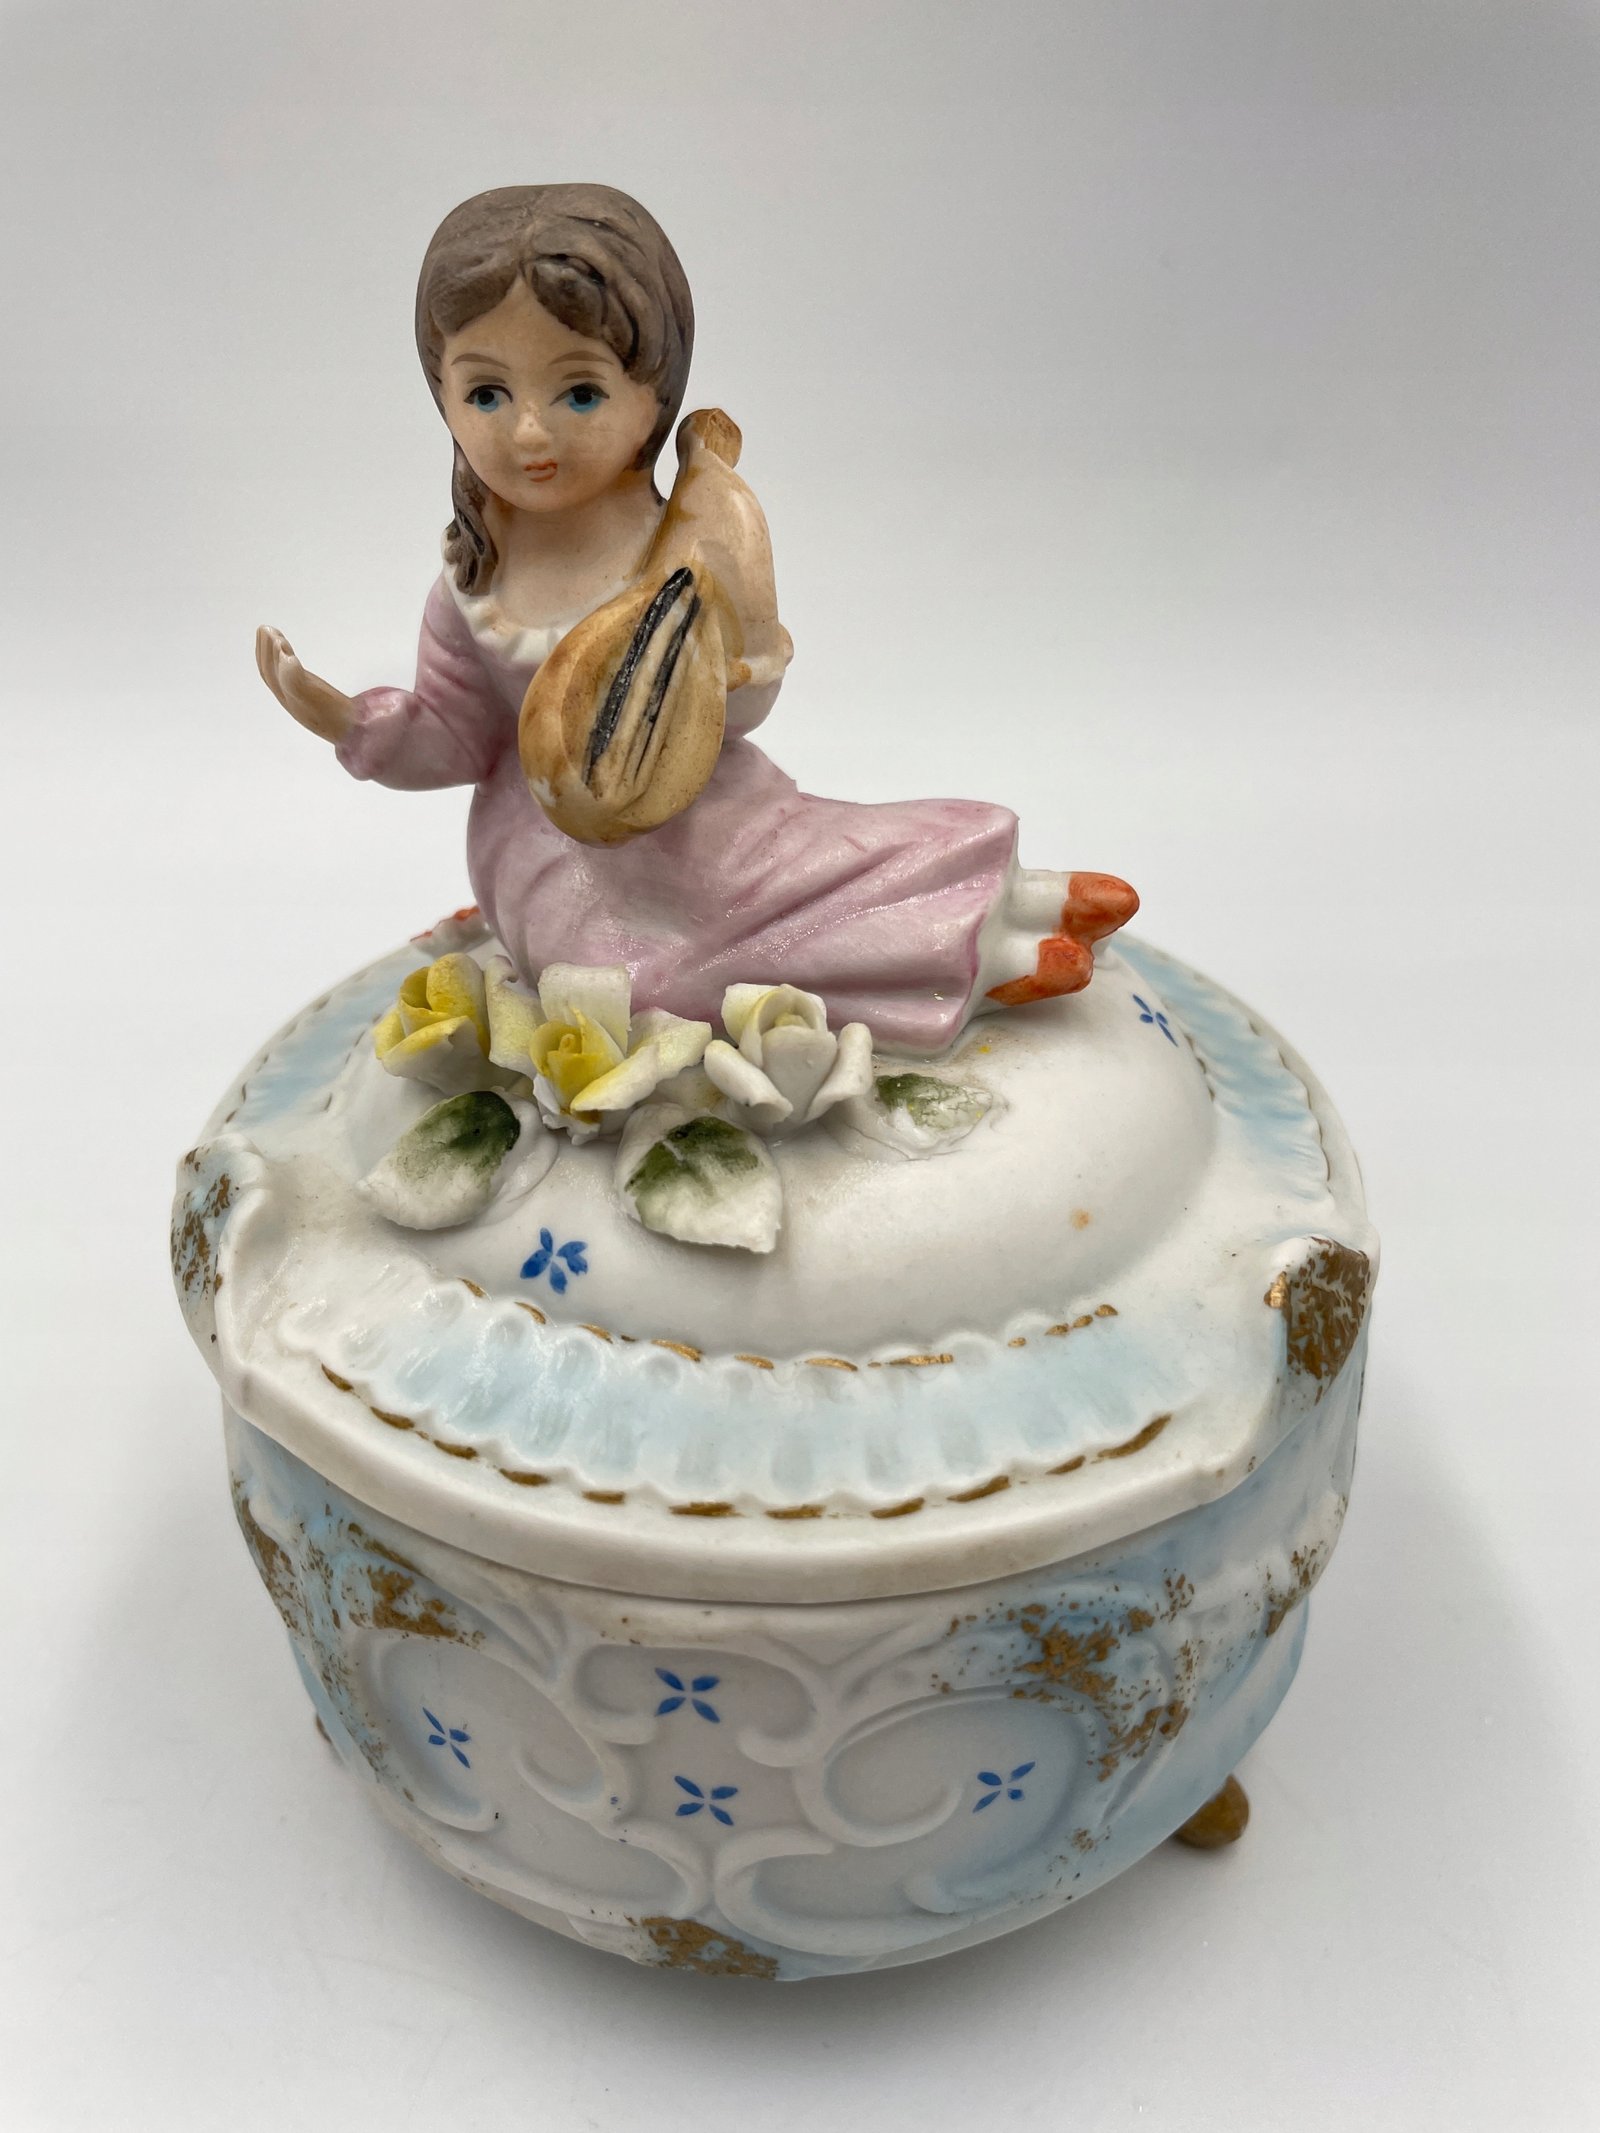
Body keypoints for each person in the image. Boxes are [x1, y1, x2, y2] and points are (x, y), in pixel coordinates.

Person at [256, 183, 1136, 1053]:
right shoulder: (474, 579)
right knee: (637, 986)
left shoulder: (684, 536)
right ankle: (945, 960)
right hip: (554, 859)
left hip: (712, 820)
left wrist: (725, 638)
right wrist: (348, 719)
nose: (529, 434)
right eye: (487, 394)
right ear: (442, 398)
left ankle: (982, 907)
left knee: (831, 863)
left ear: (655, 395)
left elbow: (740, 712)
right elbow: (455, 738)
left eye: (579, 393)